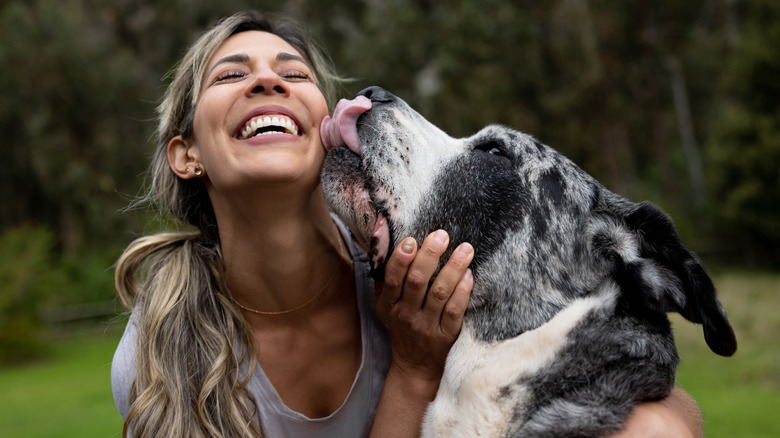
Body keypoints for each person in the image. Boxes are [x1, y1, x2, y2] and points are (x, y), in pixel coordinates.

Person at [111, 10, 703, 438]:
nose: (268, 81)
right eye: (229, 75)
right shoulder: (160, 354)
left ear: (325, 123)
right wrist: (415, 367)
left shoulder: (424, 265)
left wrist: (662, 426)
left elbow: (630, 378)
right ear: (185, 153)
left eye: (293, 73)